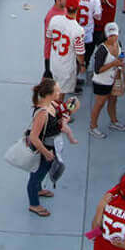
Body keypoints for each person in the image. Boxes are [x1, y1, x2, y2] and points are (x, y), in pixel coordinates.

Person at [25, 78, 71, 216]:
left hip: (51, 147)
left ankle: (38, 189)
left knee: (42, 171)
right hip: (44, 149)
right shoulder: (42, 113)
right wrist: (46, 153)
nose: (59, 92)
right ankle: (34, 204)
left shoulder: (51, 105)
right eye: (57, 90)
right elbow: (34, 136)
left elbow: (54, 124)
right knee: (36, 176)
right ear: (49, 94)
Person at [88, 21, 125, 138]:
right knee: (99, 104)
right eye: (110, 35)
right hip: (102, 82)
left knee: (113, 100)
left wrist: (120, 64)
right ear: (106, 35)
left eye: (115, 34)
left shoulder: (118, 43)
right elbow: (97, 69)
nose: (113, 37)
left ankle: (114, 121)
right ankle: (93, 127)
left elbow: (120, 56)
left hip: (113, 79)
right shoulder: (102, 50)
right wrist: (113, 63)